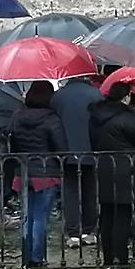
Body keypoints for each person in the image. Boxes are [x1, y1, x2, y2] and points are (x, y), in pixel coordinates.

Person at [88, 82, 135, 266]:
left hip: (104, 167)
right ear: (126, 97)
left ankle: (108, 257)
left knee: (107, 213)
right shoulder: (126, 117)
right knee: (123, 214)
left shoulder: (95, 117)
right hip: (126, 170)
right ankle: (121, 257)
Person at [8, 81, 68, 269]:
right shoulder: (51, 119)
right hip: (46, 172)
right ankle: (37, 258)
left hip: (23, 171)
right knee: (41, 217)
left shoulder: (17, 116)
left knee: (27, 216)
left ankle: (26, 257)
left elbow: (12, 142)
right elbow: (61, 147)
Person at [50, 76, 103, 248]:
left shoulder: (58, 97)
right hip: (90, 150)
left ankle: (73, 232)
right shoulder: (96, 94)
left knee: (70, 192)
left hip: (66, 151)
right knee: (90, 191)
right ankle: (89, 230)